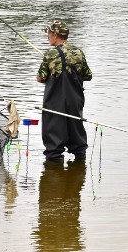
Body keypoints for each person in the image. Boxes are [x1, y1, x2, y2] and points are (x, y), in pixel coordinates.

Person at [36, 20, 93, 162]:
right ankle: (79, 166)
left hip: (54, 104)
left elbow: (40, 78)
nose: (47, 36)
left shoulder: (50, 54)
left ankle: (55, 173)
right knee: (77, 138)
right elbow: (88, 76)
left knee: (54, 144)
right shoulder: (79, 53)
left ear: (55, 35)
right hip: (75, 102)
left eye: (48, 34)